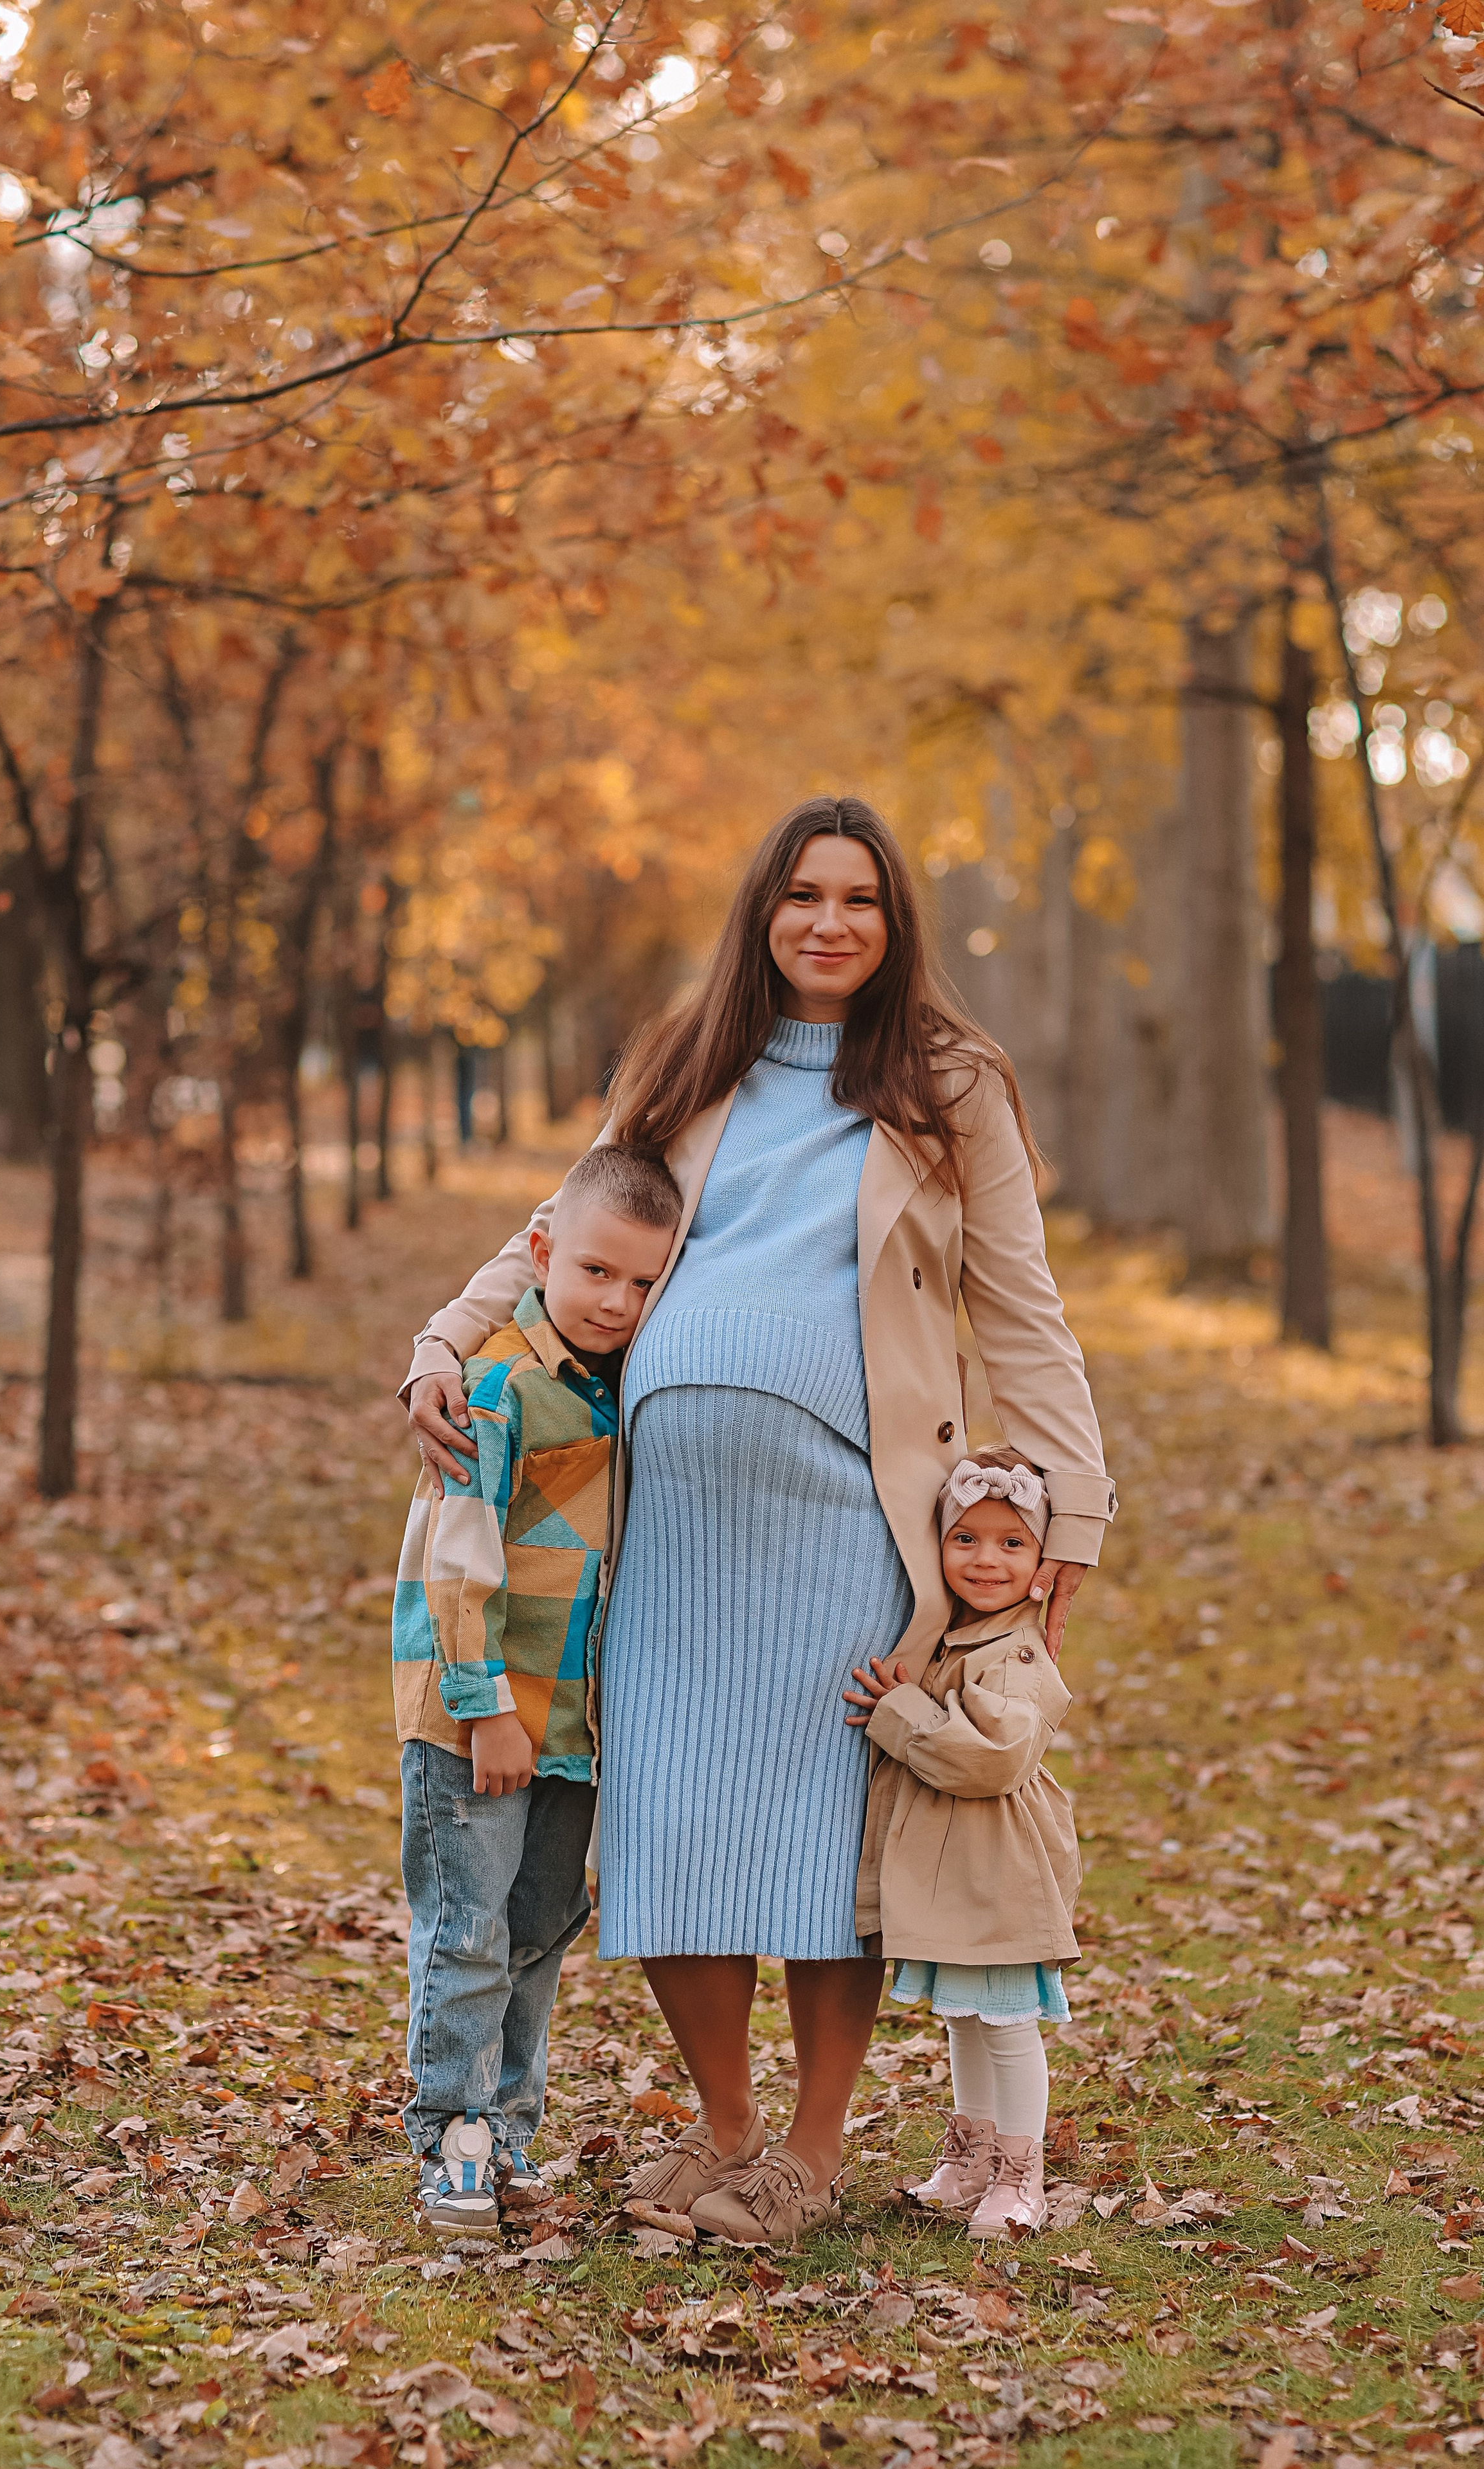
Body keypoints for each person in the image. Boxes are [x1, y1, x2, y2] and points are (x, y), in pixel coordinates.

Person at [403, 794, 1114, 2250]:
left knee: (817, 1838)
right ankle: (727, 2124)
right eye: (802, 893)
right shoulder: (688, 1053)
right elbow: (561, 1215)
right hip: (661, 1523)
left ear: (891, 918)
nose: (827, 920)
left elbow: (1018, 1305)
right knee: (667, 1824)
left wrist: (1073, 1511)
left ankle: (806, 2145)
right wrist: (441, 1342)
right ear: (763, 909)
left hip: (847, 1514)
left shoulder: (945, 1079)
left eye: (856, 896)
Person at [392, 1143, 682, 2238]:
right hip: (482, 1721)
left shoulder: (623, 1390)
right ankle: (453, 2147)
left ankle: (509, 2137)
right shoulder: (503, 1385)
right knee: (469, 1932)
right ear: (544, 1251)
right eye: (599, 1272)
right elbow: (455, 1562)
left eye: (646, 1282)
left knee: (539, 1930)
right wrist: (488, 1710)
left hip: (570, 1726)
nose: (620, 1300)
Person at [844, 1454, 1081, 2239]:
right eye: (967, 1539)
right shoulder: (960, 1635)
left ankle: (1022, 2176)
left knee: (1006, 2021)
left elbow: (992, 1759)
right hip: (957, 1867)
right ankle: (972, 2153)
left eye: (1013, 1545)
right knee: (966, 2017)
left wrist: (901, 1713)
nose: (986, 1560)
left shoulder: (1015, 1653)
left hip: (1000, 1867)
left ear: (1042, 1560)